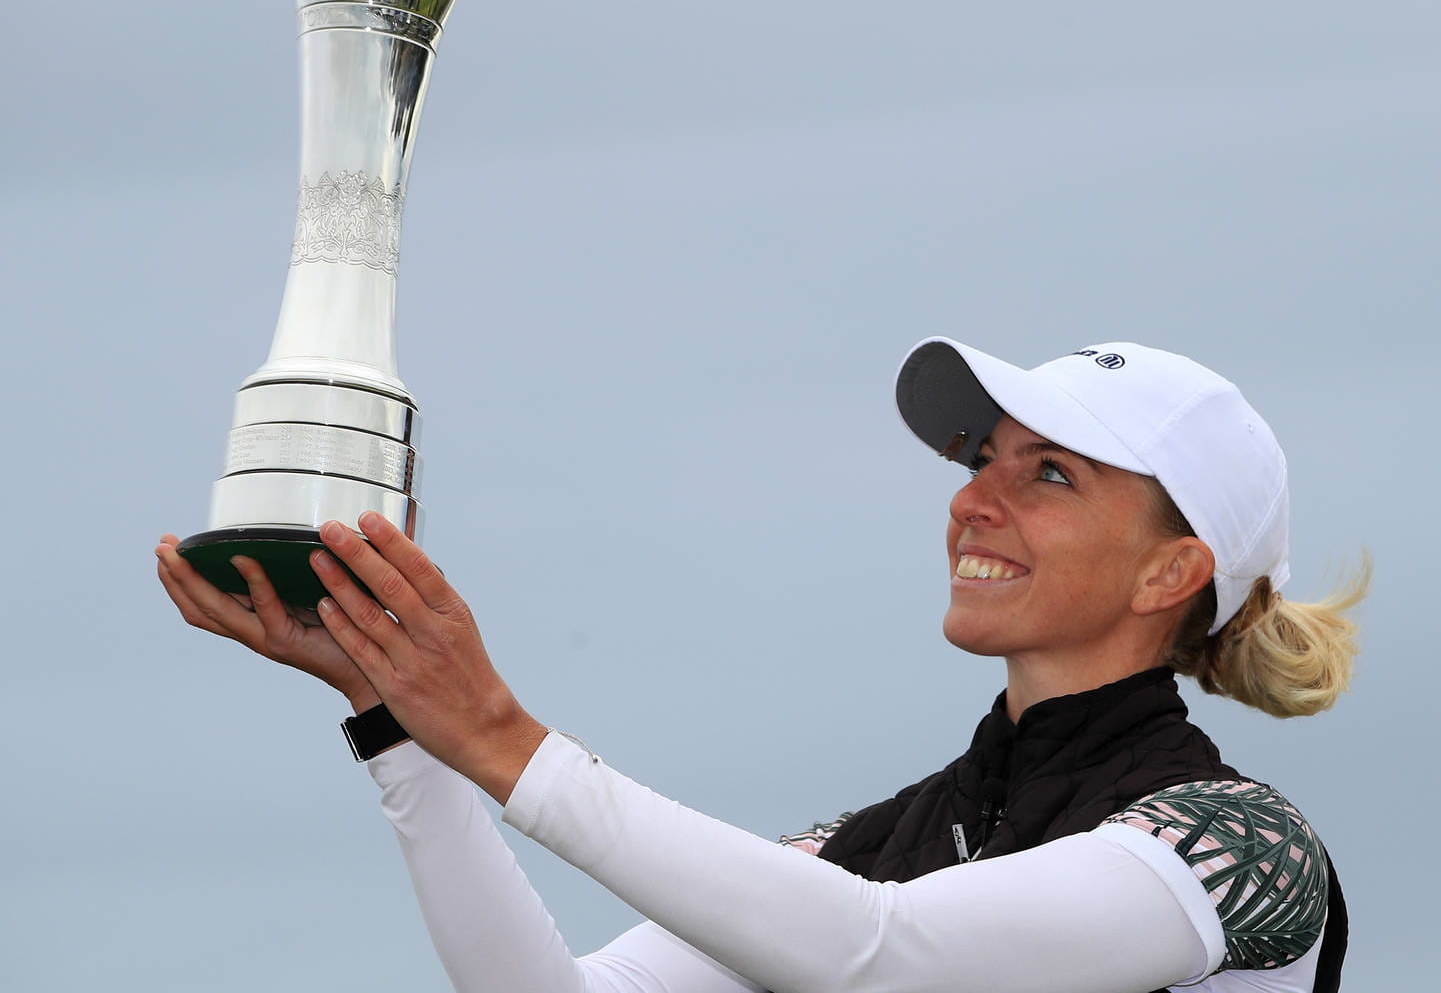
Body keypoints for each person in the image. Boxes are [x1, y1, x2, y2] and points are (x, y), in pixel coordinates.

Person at [156, 337, 1366, 993]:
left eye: (1050, 474)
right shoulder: (870, 847)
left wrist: (501, 738)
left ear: (1172, 575)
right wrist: (395, 718)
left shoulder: (1243, 847)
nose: (974, 501)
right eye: (981, 458)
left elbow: (882, 958)